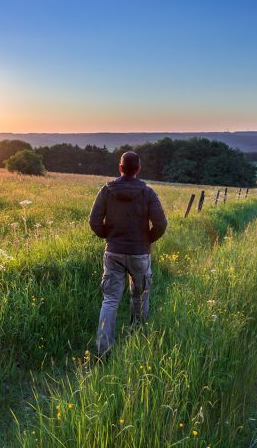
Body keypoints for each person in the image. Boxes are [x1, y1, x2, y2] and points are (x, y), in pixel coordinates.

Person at [88, 151, 167, 358]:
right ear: (138, 169)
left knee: (110, 300)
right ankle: (137, 342)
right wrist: (147, 240)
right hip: (139, 253)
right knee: (140, 297)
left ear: (120, 168)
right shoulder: (147, 192)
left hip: (113, 251)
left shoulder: (106, 190)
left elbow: (94, 222)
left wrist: (109, 236)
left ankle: (102, 350)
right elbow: (161, 224)